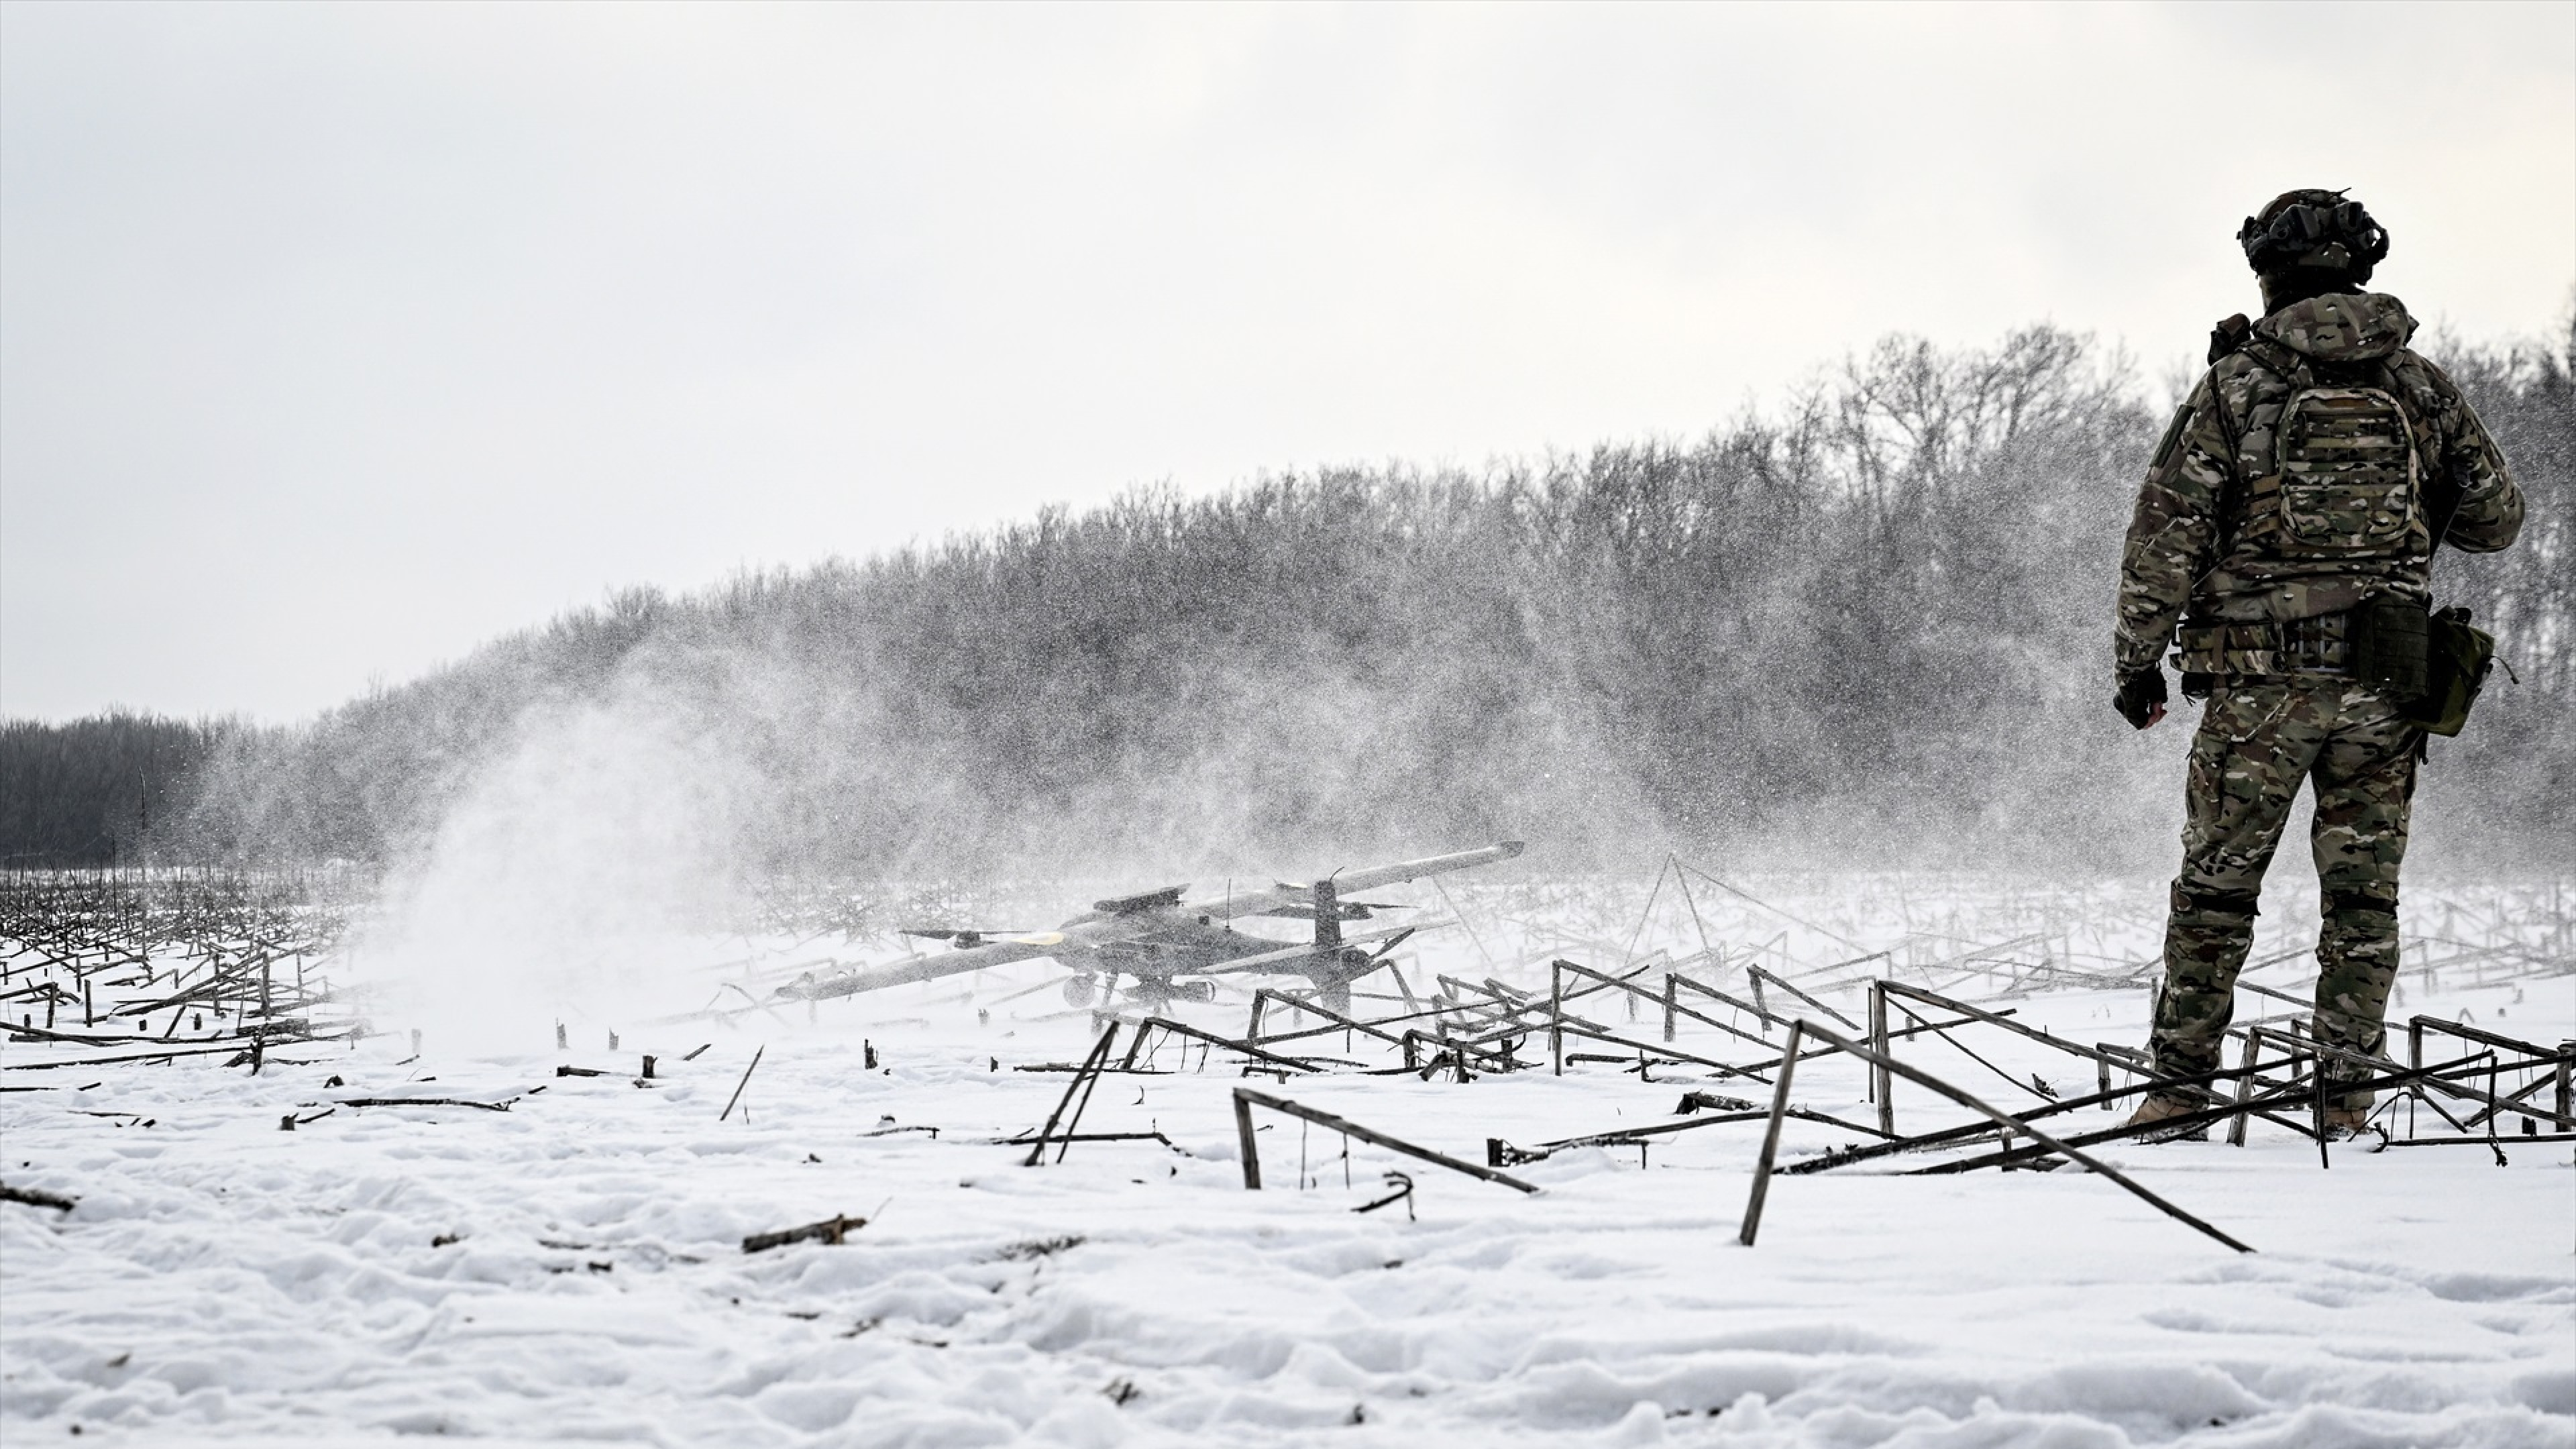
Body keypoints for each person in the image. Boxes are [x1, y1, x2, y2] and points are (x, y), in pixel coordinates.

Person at [2110, 189, 2523, 1138]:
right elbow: (2499, 521)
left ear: (2268, 273)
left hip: (2257, 692)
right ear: (2362, 268)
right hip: (2384, 688)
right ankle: (2343, 1104)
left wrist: (2136, 663)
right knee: (2362, 903)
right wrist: (2431, 497)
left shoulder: (2239, 385)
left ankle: (2177, 1096)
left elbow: (2163, 537)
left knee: (2215, 896)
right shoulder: (2419, 386)